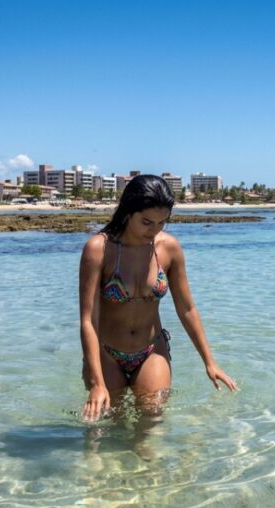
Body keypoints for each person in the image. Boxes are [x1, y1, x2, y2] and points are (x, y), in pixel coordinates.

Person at [78, 175, 237, 422]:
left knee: (151, 423)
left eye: (163, 222)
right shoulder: (99, 249)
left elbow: (187, 309)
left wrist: (210, 362)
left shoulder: (169, 248)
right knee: (107, 426)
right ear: (128, 211)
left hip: (151, 350)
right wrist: (97, 381)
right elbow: (88, 320)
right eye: (146, 222)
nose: (154, 230)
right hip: (106, 354)